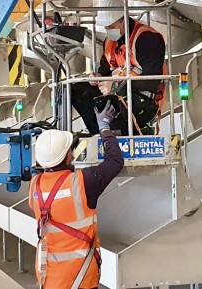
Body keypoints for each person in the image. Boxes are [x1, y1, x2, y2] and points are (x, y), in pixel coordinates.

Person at [30, 105, 124, 289]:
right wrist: (104, 127)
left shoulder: (35, 185)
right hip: (80, 279)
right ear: (67, 157)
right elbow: (115, 161)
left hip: (49, 278)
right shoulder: (84, 182)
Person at [89, 9, 167, 136]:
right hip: (118, 95)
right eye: (106, 27)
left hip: (143, 98)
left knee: (116, 99)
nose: (109, 30)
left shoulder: (147, 38)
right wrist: (97, 77)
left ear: (124, 21)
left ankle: (111, 132)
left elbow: (152, 80)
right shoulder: (109, 42)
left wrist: (115, 85)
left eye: (112, 26)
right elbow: (105, 69)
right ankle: (96, 131)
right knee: (80, 90)